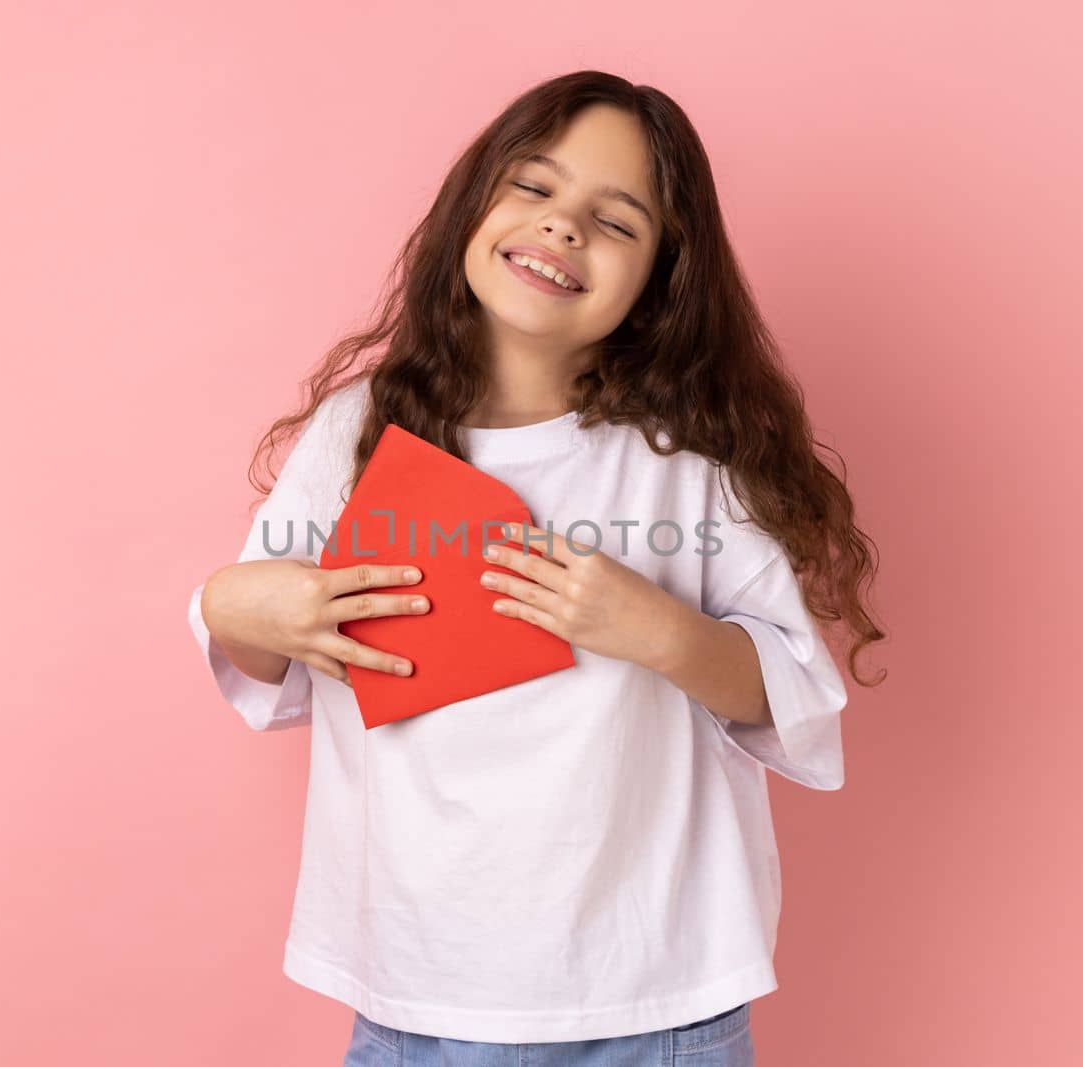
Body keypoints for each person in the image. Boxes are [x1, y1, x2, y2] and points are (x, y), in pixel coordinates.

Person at [188, 70, 886, 1065]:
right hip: (415, 988)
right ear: (474, 203)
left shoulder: (683, 460)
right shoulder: (357, 431)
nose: (562, 228)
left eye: (615, 220)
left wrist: (661, 631)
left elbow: (795, 696)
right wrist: (236, 602)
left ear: (661, 278)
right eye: (534, 186)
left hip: (651, 997)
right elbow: (263, 666)